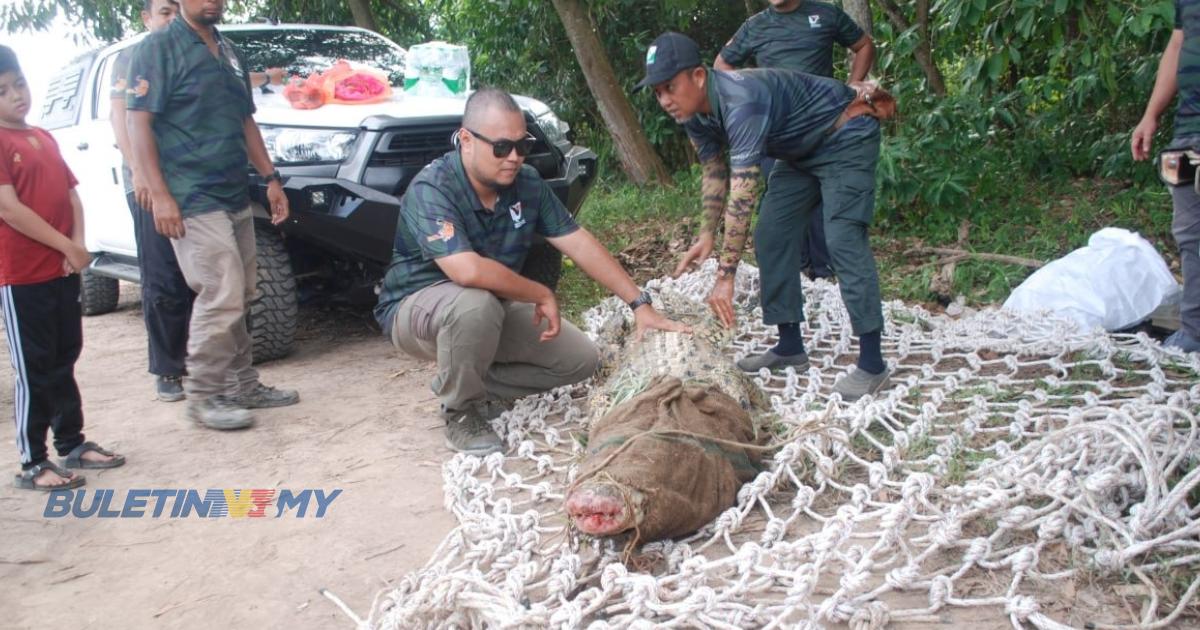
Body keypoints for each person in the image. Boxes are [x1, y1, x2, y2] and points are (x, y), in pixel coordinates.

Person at [375, 88, 689, 455]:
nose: (513, 158)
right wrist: (540, 293)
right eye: (501, 147)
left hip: (488, 306)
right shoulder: (433, 187)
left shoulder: (527, 183)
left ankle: (466, 382)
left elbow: (579, 242)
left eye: (521, 146)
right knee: (475, 305)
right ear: (466, 140)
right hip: (416, 309)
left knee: (579, 360)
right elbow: (467, 271)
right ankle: (459, 410)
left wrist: (640, 304)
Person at [642, 32, 889, 401]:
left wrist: (726, 276)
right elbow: (714, 170)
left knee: (842, 239)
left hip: (844, 134)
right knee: (772, 235)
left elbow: (744, 192)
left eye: (669, 87)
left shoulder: (740, 100)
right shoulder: (692, 115)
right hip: (800, 151)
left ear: (697, 76)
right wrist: (707, 233)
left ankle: (872, 364)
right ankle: (790, 346)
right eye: (657, 92)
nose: (664, 100)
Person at [126, 0, 299, 430]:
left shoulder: (227, 49)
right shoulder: (157, 49)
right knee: (220, 291)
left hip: (233, 190)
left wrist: (271, 178)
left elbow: (245, 120)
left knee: (241, 293)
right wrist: (160, 195)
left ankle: (243, 384)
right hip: (190, 195)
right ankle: (205, 393)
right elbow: (138, 124)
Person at [0, 45, 126, 490]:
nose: (16, 95)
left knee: (63, 358)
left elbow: (71, 193)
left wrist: (76, 245)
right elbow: (10, 210)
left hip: (60, 269)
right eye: (3, 91)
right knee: (33, 367)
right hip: (22, 275)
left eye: (19, 84)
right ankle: (32, 462)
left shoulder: (42, 136)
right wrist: (64, 247)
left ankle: (71, 442)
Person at [716, 0, 876, 281]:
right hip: (775, 130)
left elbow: (864, 45)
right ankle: (798, 273)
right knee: (783, 199)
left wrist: (852, 85)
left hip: (821, 126)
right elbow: (722, 65)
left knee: (821, 197)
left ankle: (825, 275)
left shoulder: (824, 14)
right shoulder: (755, 26)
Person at [110, 0, 191, 403]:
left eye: (177, 9)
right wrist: (139, 172)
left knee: (206, 273)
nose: (172, 18)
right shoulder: (133, 57)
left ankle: (208, 361)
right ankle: (168, 370)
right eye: (164, 11)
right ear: (146, 18)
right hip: (148, 182)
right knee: (163, 277)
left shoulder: (199, 51)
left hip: (195, 183)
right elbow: (121, 116)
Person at [1131, 2, 1200, 353]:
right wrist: (1150, 115)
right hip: (1190, 129)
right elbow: (1177, 44)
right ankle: (1194, 334)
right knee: (1190, 232)